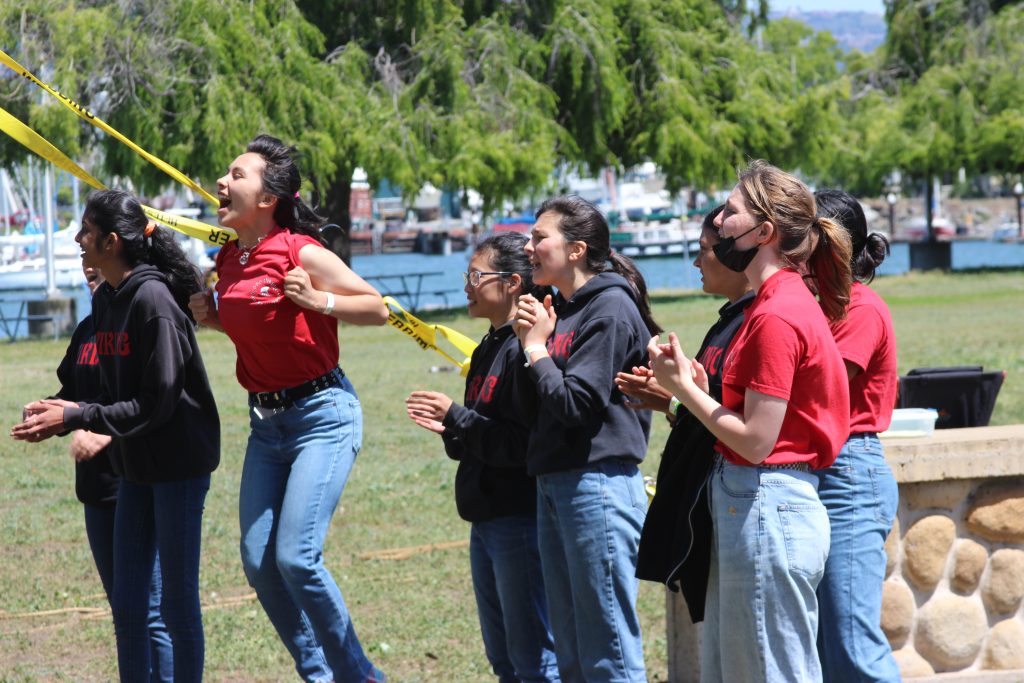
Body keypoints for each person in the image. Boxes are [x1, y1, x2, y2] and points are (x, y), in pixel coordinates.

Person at [188, 134, 388, 683]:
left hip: (322, 416)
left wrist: (318, 300)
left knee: (296, 557)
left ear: (268, 198)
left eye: (236, 175)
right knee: (260, 563)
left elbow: (377, 309)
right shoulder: (230, 258)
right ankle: (319, 674)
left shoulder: (301, 250)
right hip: (266, 428)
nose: (221, 184)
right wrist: (210, 315)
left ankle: (359, 677)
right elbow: (256, 322)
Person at [648, 160, 852, 682]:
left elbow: (758, 440)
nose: (719, 223)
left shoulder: (776, 314)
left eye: (731, 213)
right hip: (758, 505)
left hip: (765, 503)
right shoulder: (774, 304)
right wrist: (696, 385)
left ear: (764, 233)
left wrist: (683, 389)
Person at [12, 189, 220, 682]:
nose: (78, 239)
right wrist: (61, 409)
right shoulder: (106, 301)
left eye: (85, 231)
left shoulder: (153, 300)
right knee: (128, 605)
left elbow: (158, 402)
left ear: (110, 241)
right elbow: (101, 390)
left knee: (175, 601)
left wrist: (80, 417)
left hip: (177, 467)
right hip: (135, 469)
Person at [514, 195, 659, 683]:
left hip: (597, 485)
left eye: (539, 238)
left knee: (607, 649)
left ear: (576, 250)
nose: (527, 245)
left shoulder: (610, 307)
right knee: (572, 650)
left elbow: (577, 405)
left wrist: (536, 350)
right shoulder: (563, 311)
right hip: (557, 482)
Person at [405, 232, 560, 683]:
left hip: (519, 519)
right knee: (504, 658)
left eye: (476, 276)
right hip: (485, 517)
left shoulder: (524, 349)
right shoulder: (488, 347)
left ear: (513, 283)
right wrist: (451, 426)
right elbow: (479, 431)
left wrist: (456, 416)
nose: (467, 286)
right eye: (466, 276)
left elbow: (520, 445)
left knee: (535, 658)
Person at [615, 206, 754, 623]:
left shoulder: (755, 323)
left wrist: (681, 393)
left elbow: (745, 428)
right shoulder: (728, 321)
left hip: (740, 505)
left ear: (738, 253)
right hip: (713, 505)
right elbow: (712, 412)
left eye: (704, 250)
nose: (696, 261)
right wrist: (672, 400)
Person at [58, 265, 174, 681]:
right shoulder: (88, 329)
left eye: (93, 246)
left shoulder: (142, 321)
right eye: (82, 256)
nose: (88, 264)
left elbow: (158, 400)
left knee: (149, 611)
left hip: (135, 482)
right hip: (96, 489)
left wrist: (103, 434)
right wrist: (50, 412)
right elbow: (73, 395)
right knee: (123, 609)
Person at [814, 189, 900, 682]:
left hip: (849, 475)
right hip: (819, 470)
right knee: (825, 649)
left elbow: (822, 391)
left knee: (851, 645)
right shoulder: (816, 306)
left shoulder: (860, 309)